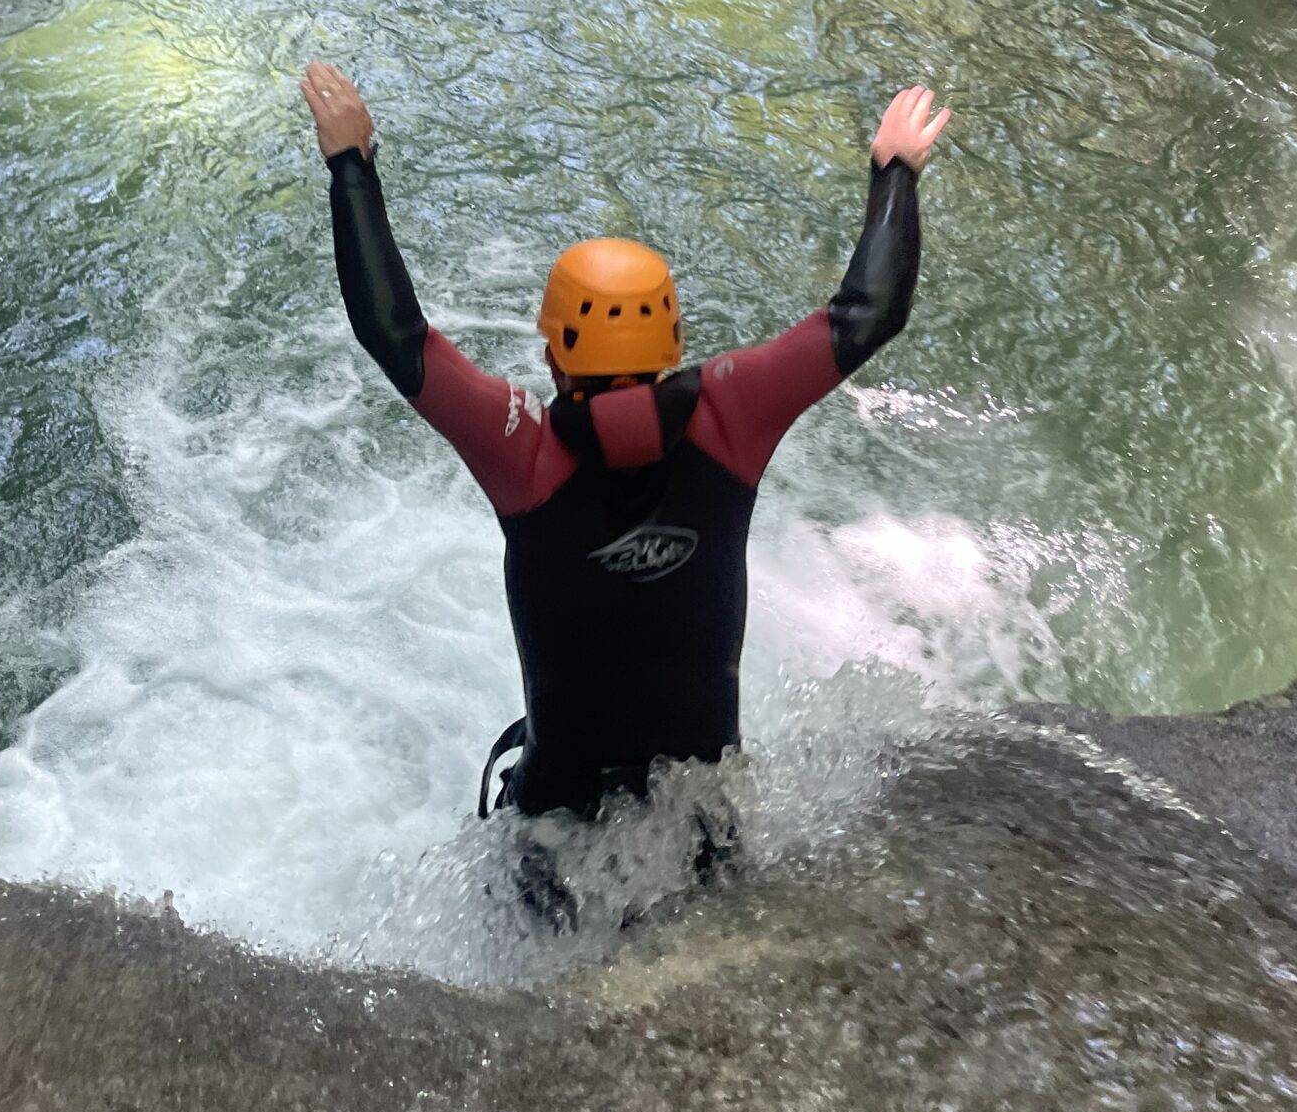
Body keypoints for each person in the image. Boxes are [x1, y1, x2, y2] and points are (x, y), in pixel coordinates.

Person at [300, 61, 951, 826]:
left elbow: (394, 333)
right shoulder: (733, 414)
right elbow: (866, 314)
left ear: (552, 352)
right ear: (673, 339)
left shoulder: (524, 452)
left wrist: (351, 162)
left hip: (561, 821)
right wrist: (894, 170)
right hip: (703, 812)